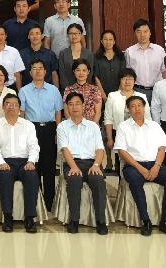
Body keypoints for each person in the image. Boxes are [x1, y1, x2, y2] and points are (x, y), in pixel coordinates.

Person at [114, 96, 166, 237]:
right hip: (133, 166)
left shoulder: (155, 126)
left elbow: (162, 149)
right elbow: (122, 151)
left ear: (145, 108)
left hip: (155, 164)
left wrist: (156, 166)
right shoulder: (123, 127)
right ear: (128, 109)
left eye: (140, 105)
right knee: (135, 180)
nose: (137, 109)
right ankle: (145, 220)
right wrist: (140, 168)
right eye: (133, 106)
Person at [0, 93, 39, 233]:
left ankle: (29, 217)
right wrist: (0, 162)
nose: (12, 107)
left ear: (20, 108)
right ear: (3, 107)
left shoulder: (28, 125)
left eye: (15, 104)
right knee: (4, 177)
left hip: (24, 162)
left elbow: (34, 146)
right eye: (8, 104)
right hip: (5, 161)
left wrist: (31, 161)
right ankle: (8, 217)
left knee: (31, 176)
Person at [58, 92, 108, 235]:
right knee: (74, 179)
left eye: (77, 103)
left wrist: (96, 165)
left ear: (84, 105)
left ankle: (101, 221)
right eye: (71, 104)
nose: (74, 107)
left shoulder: (93, 126)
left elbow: (100, 149)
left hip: (92, 162)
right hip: (72, 162)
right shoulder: (62, 127)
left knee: (98, 180)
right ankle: (74, 220)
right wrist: (73, 166)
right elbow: (65, 149)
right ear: (67, 107)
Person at [18, 59, 63, 211]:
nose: (38, 71)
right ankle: (35, 201)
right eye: (34, 68)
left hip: (50, 129)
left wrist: (57, 130)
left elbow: (58, 112)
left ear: (45, 72)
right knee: (33, 166)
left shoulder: (53, 90)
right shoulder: (24, 91)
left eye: (41, 68)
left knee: (49, 167)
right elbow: (22, 113)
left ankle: (49, 201)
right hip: (31, 129)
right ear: (30, 73)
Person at [103, 68, 150, 173]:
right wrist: (110, 138)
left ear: (134, 81)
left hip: (138, 133)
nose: (127, 82)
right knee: (121, 163)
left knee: (137, 159)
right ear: (120, 80)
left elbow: (148, 118)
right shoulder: (112, 96)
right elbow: (108, 119)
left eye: (130, 79)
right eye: (124, 79)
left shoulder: (141, 96)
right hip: (119, 133)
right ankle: (122, 184)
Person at [124, 18, 166, 102]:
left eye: (145, 31)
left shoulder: (159, 50)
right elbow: (128, 74)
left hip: (157, 90)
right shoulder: (129, 51)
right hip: (137, 91)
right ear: (135, 33)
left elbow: (164, 71)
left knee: (157, 114)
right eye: (139, 31)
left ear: (150, 33)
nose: (142, 35)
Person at [58, 23, 94, 89]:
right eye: (71, 33)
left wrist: (84, 89)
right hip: (68, 91)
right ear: (68, 36)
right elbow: (62, 74)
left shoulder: (88, 53)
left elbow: (90, 74)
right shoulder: (63, 53)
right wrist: (68, 90)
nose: (74, 36)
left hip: (86, 91)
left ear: (81, 35)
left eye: (77, 33)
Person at [93, 30, 126, 100]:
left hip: (119, 93)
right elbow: (96, 77)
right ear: (101, 41)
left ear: (114, 41)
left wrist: (117, 94)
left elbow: (123, 75)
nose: (108, 42)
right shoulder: (96, 57)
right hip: (101, 94)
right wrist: (103, 95)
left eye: (110, 39)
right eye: (105, 39)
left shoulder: (121, 56)